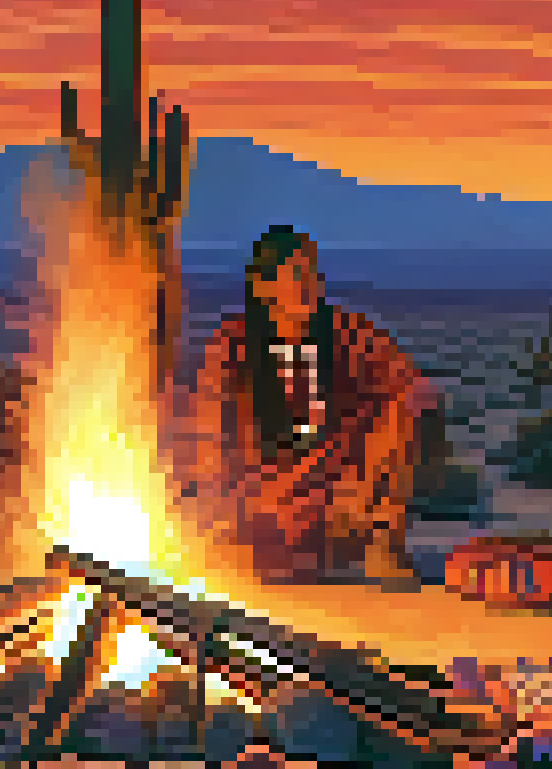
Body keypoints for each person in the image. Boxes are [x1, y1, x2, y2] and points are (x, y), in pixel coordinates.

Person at [175, 226, 427, 588]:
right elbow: (209, 433)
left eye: (313, 274)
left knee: (404, 410)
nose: (309, 285)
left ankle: (379, 544)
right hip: (264, 507)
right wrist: (218, 512)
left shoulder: (348, 333)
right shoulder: (233, 345)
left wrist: (368, 479)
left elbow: (409, 387)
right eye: (296, 275)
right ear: (264, 287)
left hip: (341, 501)